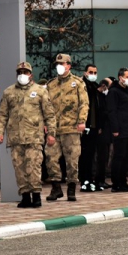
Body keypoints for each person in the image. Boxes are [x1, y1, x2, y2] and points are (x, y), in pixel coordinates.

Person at [0, 62, 57, 208]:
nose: (22, 74)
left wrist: (51, 133)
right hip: (16, 137)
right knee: (19, 168)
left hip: (34, 137)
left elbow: (49, 114)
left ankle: (36, 195)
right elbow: (2, 114)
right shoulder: (9, 92)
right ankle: (25, 196)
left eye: (26, 72)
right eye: (20, 72)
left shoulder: (40, 91)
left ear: (31, 74)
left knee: (33, 166)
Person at [44, 53, 89, 202]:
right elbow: (46, 106)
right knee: (51, 158)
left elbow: (84, 104)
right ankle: (56, 188)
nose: (59, 67)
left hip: (72, 129)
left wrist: (82, 121)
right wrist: (45, 124)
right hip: (54, 129)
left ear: (68, 66)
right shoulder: (51, 85)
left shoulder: (78, 83)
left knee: (72, 160)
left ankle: (71, 188)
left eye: (62, 64)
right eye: (57, 64)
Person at [105, 68, 128, 192]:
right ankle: (116, 183)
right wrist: (115, 128)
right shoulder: (114, 92)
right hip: (120, 130)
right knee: (119, 156)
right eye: (127, 76)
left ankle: (123, 181)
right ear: (120, 77)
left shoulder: (127, 91)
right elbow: (112, 111)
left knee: (127, 157)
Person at [79, 64, 102, 192]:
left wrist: (98, 126)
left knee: (92, 154)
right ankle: (84, 179)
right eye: (90, 72)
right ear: (85, 73)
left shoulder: (95, 87)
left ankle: (91, 179)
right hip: (84, 126)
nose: (93, 74)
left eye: (95, 72)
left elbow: (98, 109)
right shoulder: (81, 86)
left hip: (94, 127)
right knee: (84, 155)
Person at [95, 78, 113, 189]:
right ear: (104, 86)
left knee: (104, 155)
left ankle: (101, 179)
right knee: (101, 156)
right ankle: (99, 179)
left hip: (105, 130)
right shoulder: (97, 97)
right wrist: (100, 127)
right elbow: (99, 113)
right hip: (100, 130)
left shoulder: (102, 97)